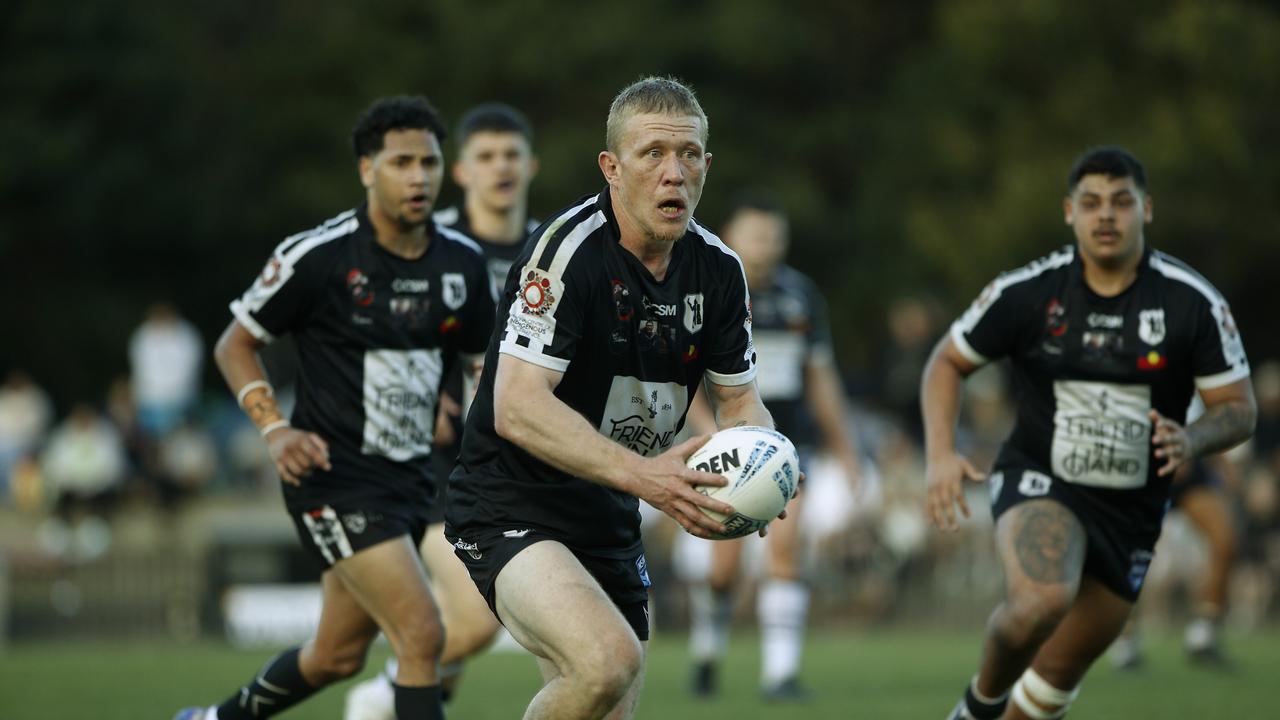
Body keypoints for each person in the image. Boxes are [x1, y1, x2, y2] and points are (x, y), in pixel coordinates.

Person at [444, 76, 780, 720]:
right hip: (512, 501)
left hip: (609, 517)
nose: (673, 174)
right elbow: (515, 405)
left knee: (607, 708)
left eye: (688, 155)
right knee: (607, 661)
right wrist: (646, 476)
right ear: (612, 166)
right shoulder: (567, 252)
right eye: (652, 153)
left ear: (708, 166)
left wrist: (766, 467)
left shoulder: (719, 270)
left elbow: (741, 404)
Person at [173, 95, 495, 720]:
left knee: (336, 656)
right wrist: (274, 430)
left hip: (411, 479)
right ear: (366, 170)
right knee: (422, 633)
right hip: (334, 476)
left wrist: (462, 405)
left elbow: (480, 362)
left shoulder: (461, 261)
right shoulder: (318, 256)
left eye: (428, 163)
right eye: (401, 162)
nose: (419, 177)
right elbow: (235, 343)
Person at [924, 146, 1255, 720]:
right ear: (1068, 212)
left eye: (1121, 202)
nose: (1107, 216)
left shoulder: (1190, 302)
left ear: (1146, 210)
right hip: (1040, 476)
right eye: (1092, 203)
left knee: (1054, 681)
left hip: (1133, 509)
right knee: (1038, 603)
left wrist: (1192, 439)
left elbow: (1238, 408)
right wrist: (939, 455)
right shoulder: (1029, 292)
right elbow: (946, 363)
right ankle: (977, 706)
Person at [344, 102, 540, 719]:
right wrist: (426, 392)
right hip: (435, 462)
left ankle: (401, 695)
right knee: (477, 620)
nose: (500, 167)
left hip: (522, 461)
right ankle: (381, 699)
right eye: (486, 156)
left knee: (481, 623)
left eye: (511, 155)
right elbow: (378, 324)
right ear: (461, 171)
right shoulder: (435, 243)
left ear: (531, 164)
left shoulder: (550, 248)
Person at [677, 193, 863, 701]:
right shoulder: (707, 288)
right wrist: (707, 431)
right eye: (756, 234)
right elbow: (684, 374)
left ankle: (780, 675)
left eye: (774, 235)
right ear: (732, 235)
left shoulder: (801, 297)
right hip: (723, 443)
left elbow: (821, 378)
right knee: (725, 567)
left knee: (786, 546)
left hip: (786, 443)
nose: (766, 245)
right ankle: (708, 651)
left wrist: (845, 449)